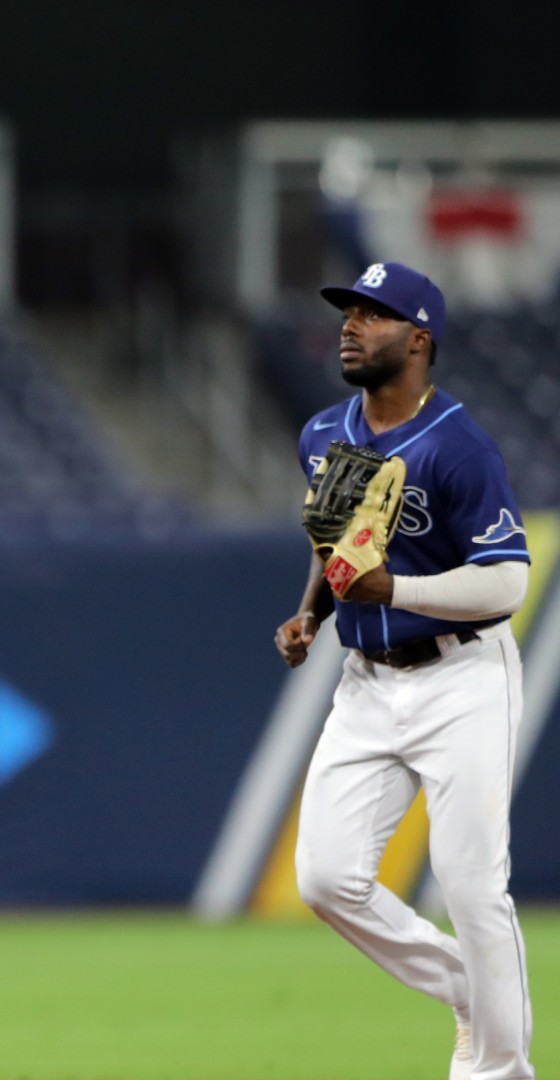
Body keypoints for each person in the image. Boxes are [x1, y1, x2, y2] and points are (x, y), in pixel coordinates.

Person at [275, 262, 534, 1080]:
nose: (351, 325)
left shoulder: (459, 444)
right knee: (324, 877)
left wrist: (399, 588)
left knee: (470, 885)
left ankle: (500, 1068)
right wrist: (313, 611)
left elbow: (508, 581)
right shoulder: (324, 433)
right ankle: (469, 986)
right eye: (349, 311)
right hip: (364, 679)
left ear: (419, 339)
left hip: (462, 678)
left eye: (374, 314)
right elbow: (337, 543)